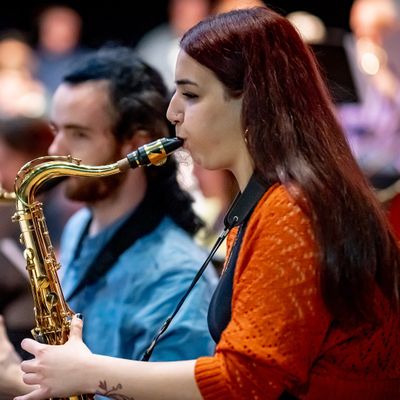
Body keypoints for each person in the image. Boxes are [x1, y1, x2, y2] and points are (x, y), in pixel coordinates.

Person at [9, 6, 400, 399]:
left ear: (253, 101)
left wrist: (89, 373)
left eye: (191, 94)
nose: (171, 112)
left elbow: (246, 380)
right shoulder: (264, 205)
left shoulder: (292, 212)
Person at [0, 116, 75, 359]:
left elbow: (62, 270)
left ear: (31, 156)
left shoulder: (62, 203)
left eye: (5, 161)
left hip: (36, 330)